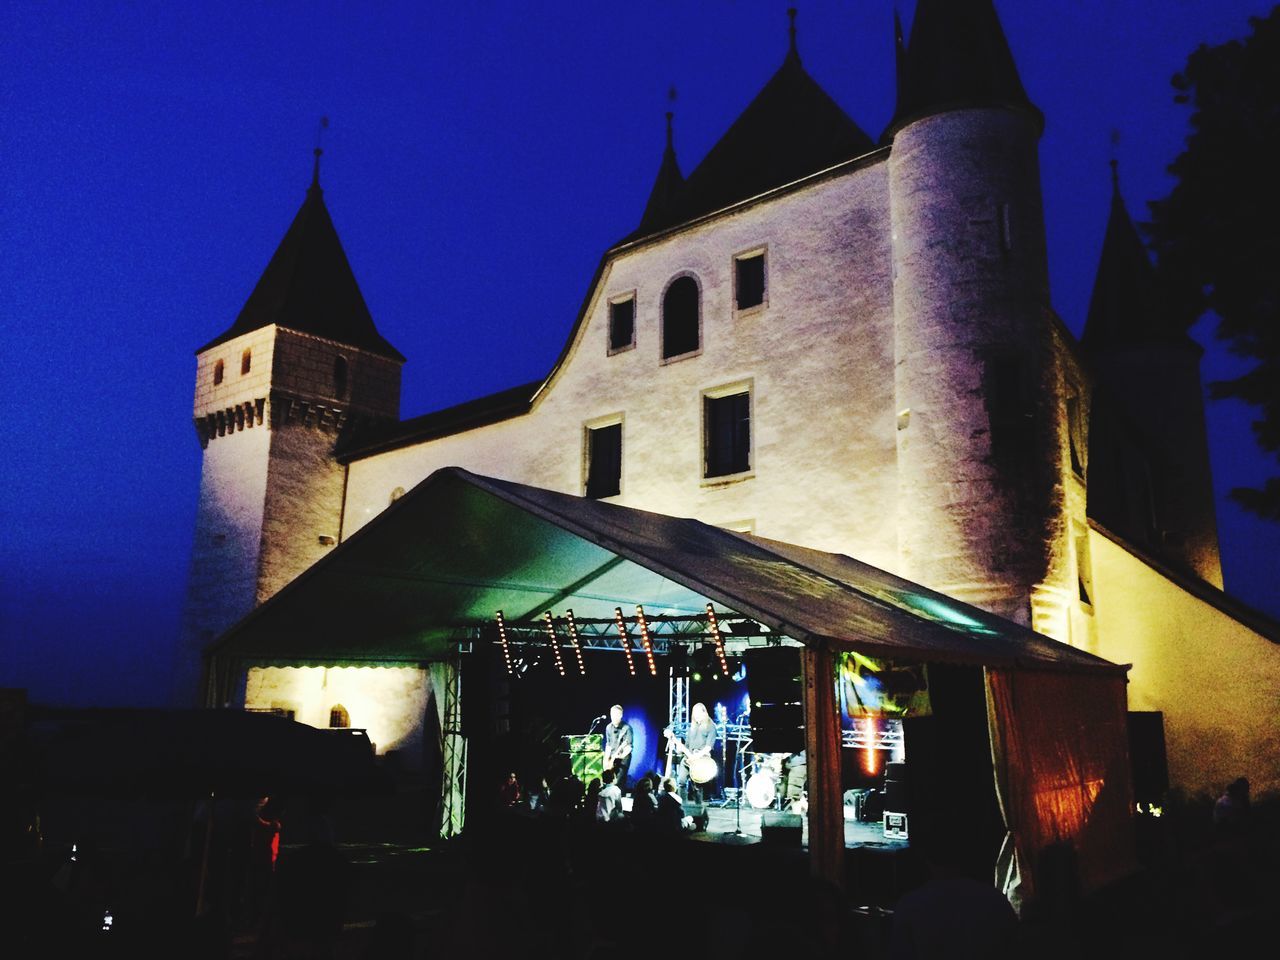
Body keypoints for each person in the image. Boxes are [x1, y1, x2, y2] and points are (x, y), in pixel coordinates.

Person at [676, 702, 718, 802]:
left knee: (698, 785)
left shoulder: (711, 726)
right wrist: (679, 748)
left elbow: (708, 747)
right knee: (681, 781)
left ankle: (699, 809)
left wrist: (697, 756)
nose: (696, 716)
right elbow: (686, 745)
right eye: (694, 714)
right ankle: (682, 806)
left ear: (704, 713)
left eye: (698, 713)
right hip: (688, 758)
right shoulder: (692, 728)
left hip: (701, 758)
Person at [602, 704, 633, 792]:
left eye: (616, 715)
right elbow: (608, 745)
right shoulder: (608, 727)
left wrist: (620, 756)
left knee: (619, 781)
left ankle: (619, 800)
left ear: (621, 715)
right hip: (612, 756)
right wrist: (606, 760)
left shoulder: (627, 728)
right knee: (609, 780)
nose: (614, 717)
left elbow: (629, 747)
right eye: (612, 714)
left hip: (623, 757)